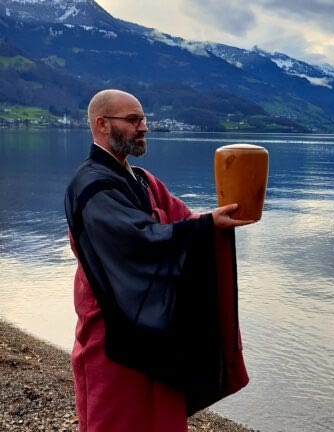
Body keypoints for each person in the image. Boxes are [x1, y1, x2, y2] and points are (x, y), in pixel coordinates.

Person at [64, 89, 254, 432]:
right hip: (110, 329)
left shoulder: (143, 181)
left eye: (143, 119)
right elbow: (138, 241)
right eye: (133, 120)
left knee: (160, 417)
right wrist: (205, 226)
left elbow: (185, 220)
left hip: (156, 325)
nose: (144, 127)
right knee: (115, 417)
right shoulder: (91, 187)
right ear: (103, 125)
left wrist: (218, 220)